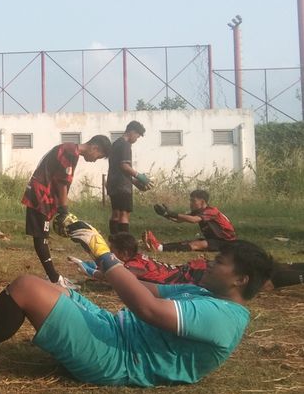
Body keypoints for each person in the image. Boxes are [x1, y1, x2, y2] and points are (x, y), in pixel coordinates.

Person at [0, 216, 274, 387]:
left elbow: (146, 309)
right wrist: (106, 272)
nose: (211, 263)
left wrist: (104, 254)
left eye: (220, 263)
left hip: (118, 359)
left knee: (27, 287)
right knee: (58, 291)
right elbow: (150, 290)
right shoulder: (207, 293)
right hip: (114, 331)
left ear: (240, 279)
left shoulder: (225, 318)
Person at [21, 135, 111, 290]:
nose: (95, 160)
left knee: (42, 236)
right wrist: (64, 211)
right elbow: (62, 183)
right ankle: (54, 279)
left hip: (44, 196)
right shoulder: (70, 152)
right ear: (95, 147)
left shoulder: (69, 149)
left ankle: (53, 276)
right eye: (98, 156)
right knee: (41, 237)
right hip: (41, 197)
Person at [73, 232, 304, 290]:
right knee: (259, 271)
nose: (112, 255)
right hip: (191, 269)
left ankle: (295, 274)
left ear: (122, 253)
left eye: (113, 252)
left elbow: (114, 276)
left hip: (191, 275)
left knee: (259, 281)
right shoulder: (137, 259)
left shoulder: (132, 266)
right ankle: (294, 269)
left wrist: (90, 270)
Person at [143, 189, 236, 252]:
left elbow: (193, 220)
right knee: (188, 243)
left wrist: (171, 213)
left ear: (202, 202)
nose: (190, 204)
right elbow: (178, 220)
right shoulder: (199, 211)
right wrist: (165, 214)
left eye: (193, 201)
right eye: (190, 201)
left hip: (226, 243)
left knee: (196, 245)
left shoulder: (211, 211)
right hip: (214, 240)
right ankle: (160, 246)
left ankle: (159, 248)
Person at [107, 121, 152, 236]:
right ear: (132, 132)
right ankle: (123, 243)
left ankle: (114, 239)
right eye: (137, 136)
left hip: (113, 183)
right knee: (124, 214)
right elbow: (124, 166)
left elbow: (118, 168)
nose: (136, 139)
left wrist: (135, 182)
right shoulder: (125, 145)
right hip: (123, 187)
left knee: (115, 213)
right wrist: (140, 177)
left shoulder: (116, 144)